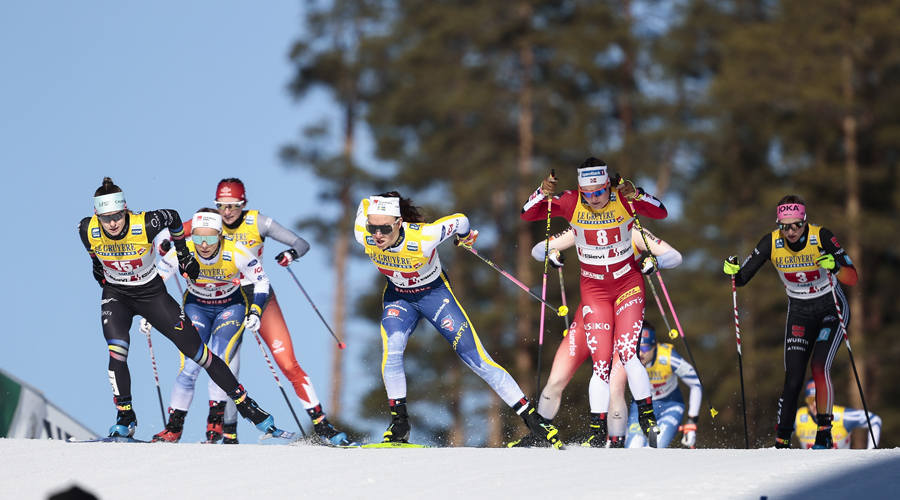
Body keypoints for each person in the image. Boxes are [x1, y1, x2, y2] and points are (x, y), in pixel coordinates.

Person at [355, 192, 562, 448]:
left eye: (384, 228)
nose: (377, 235)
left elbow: (461, 221)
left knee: (477, 358)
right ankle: (399, 425)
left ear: (399, 223)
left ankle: (535, 422)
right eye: (372, 227)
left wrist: (465, 238)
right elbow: (364, 205)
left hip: (434, 295)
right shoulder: (362, 232)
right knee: (392, 350)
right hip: (399, 298)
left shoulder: (424, 236)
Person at [78, 178, 281, 438]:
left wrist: (183, 253)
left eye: (117, 215)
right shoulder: (87, 228)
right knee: (117, 351)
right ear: (97, 216)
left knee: (199, 355)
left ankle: (248, 407)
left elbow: (173, 217)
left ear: (125, 210)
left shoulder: (145, 223)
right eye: (106, 218)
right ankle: (125, 416)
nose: (113, 223)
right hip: (116, 295)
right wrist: (96, 265)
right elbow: (91, 250)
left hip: (152, 295)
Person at [157, 178, 349, 446]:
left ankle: (323, 425)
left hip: (257, 295)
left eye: (233, 205)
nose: (227, 212)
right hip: (218, 298)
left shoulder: (258, 222)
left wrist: (291, 254)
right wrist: (165, 247)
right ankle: (227, 431)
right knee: (224, 364)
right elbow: (168, 236)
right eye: (222, 206)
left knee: (287, 363)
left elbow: (301, 242)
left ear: (243, 203)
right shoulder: (207, 223)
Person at [518, 157, 668, 447]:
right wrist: (541, 191)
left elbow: (660, 212)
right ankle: (596, 431)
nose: (594, 199)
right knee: (600, 365)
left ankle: (647, 414)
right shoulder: (572, 202)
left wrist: (636, 193)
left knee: (626, 352)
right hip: (594, 290)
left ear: (608, 186)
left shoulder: (622, 200)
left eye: (599, 192)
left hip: (627, 284)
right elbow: (528, 214)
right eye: (587, 194)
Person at [510, 223, 683, 447]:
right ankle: (538, 436)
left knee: (615, 388)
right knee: (556, 380)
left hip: (622, 320)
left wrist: (656, 262)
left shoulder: (632, 230)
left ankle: (615, 444)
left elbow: (675, 256)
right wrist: (550, 254)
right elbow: (537, 249)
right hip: (588, 319)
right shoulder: (583, 225)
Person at [724, 195, 857, 449]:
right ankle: (782, 440)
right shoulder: (771, 242)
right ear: (778, 225)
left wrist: (836, 267)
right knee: (793, 379)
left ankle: (824, 432)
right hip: (799, 311)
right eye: (785, 226)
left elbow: (852, 277)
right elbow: (741, 279)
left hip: (831, 307)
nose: (791, 231)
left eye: (797, 225)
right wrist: (732, 271)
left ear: (805, 221)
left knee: (819, 366)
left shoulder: (822, 237)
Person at [148, 209, 278, 444]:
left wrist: (256, 310)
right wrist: (149, 313)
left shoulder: (236, 251)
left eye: (210, 238)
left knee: (218, 360)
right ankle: (174, 428)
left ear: (220, 235)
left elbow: (262, 282)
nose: (204, 245)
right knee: (190, 367)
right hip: (196, 307)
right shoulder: (182, 250)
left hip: (231, 306)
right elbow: (156, 281)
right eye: (198, 238)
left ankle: (215, 425)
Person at [625, 320, 701, 448]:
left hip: (670, 407)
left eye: (645, 348)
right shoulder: (627, 357)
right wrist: (614, 427)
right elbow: (614, 389)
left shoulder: (669, 358)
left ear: (654, 346)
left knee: (656, 446)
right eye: (637, 347)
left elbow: (696, 384)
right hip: (640, 409)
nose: (640, 353)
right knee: (634, 446)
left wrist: (691, 423)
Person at [795, 379, 881, 449]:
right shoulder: (798, 417)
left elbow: (875, 420)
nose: (815, 404)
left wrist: (871, 450)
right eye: (810, 400)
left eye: (819, 399)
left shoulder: (842, 416)